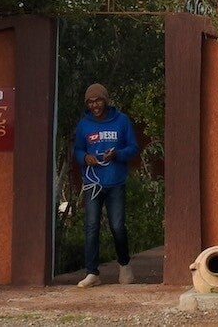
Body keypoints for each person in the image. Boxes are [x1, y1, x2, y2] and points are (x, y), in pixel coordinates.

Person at [73, 83, 140, 287]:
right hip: (93, 184)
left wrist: (117, 154)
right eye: (91, 102)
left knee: (117, 226)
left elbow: (133, 147)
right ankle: (92, 273)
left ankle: (124, 265)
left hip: (115, 182)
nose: (95, 105)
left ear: (106, 100)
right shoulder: (84, 124)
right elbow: (77, 150)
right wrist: (85, 157)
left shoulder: (121, 120)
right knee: (91, 226)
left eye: (98, 100)